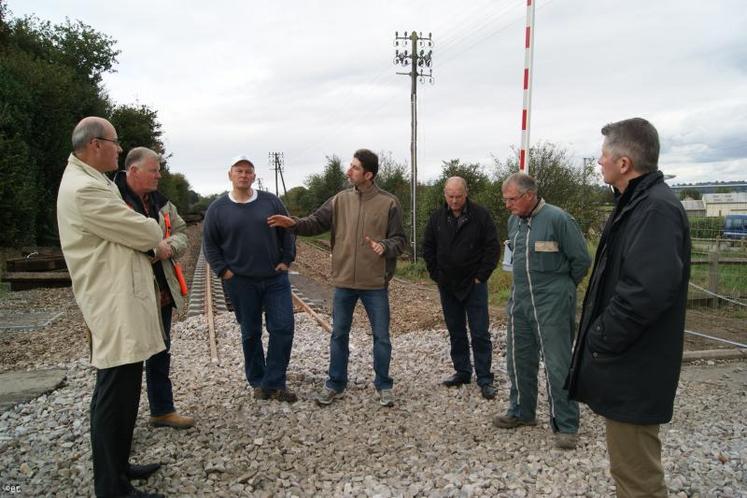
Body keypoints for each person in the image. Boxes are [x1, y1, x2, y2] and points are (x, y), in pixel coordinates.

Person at [567, 118, 691, 496]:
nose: (599, 162)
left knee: (638, 479)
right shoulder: (636, 204)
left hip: (635, 366)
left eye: (603, 155)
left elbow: (646, 292)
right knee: (628, 470)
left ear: (624, 164)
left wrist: (601, 337)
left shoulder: (654, 209)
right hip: (630, 363)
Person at [57, 117, 165, 498]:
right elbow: (148, 231)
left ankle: (119, 465)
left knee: (122, 387)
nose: (120, 149)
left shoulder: (93, 182)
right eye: (115, 143)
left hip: (119, 297)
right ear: (95, 145)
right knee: (114, 392)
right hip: (113, 301)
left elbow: (137, 230)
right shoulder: (86, 189)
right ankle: (111, 486)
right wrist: (151, 232)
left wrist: (144, 231)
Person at [267, 148, 406, 407]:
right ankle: (336, 383)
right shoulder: (340, 200)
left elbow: (400, 241)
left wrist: (384, 246)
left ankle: (384, 385)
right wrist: (293, 223)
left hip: (375, 283)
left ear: (368, 174)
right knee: (339, 334)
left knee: (382, 338)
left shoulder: (389, 203)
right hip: (343, 282)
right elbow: (315, 223)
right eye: (350, 166)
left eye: (354, 168)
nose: (348, 171)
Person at [492, 173, 591, 450]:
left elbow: (581, 260)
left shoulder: (558, 219)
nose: (507, 205)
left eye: (511, 199)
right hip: (521, 300)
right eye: (505, 200)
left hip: (553, 301)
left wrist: (562, 287)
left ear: (529, 196)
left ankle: (566, 425)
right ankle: (522, 412)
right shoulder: (515, 221)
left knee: (557, 364)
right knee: (518, 358)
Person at [203, 155, 297, 402]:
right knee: (250, 333)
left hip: (274, 279)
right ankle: (258, 381)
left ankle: (274, 382)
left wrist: (287, 260)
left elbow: (288, 231)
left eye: (248, 171)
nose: (244, 175)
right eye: (239, 171)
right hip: (241, 282)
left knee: (283, 328)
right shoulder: (217, 209)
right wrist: (224, 271)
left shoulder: (271, 202)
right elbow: (210, 245)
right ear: (230, 175)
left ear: (254, 177)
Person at [114, 147, 194, 430]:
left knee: (161, 352)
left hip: (160, 293)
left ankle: (162, 410)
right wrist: (150, 249)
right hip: (128, 294)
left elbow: (182, 233)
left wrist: (166, 248)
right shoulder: (112, 199)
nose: (159, 175)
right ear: (133, 171)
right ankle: (119, 426)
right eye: (154, 170)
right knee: (127, 361)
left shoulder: (162, 203)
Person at [422, 176, 500, 399]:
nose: (454, 201)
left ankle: (484, 377)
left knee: (479, 332)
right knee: (456, 330)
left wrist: (481, 276)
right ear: (445, 195)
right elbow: (428, 247)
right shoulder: (437, 218)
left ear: (466, 194)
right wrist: (436, 275)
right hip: (447, 285)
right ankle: (462, 371)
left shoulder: (481, 216)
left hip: (474, 284)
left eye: (458, 196)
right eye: (450, 196)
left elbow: (492, 247)